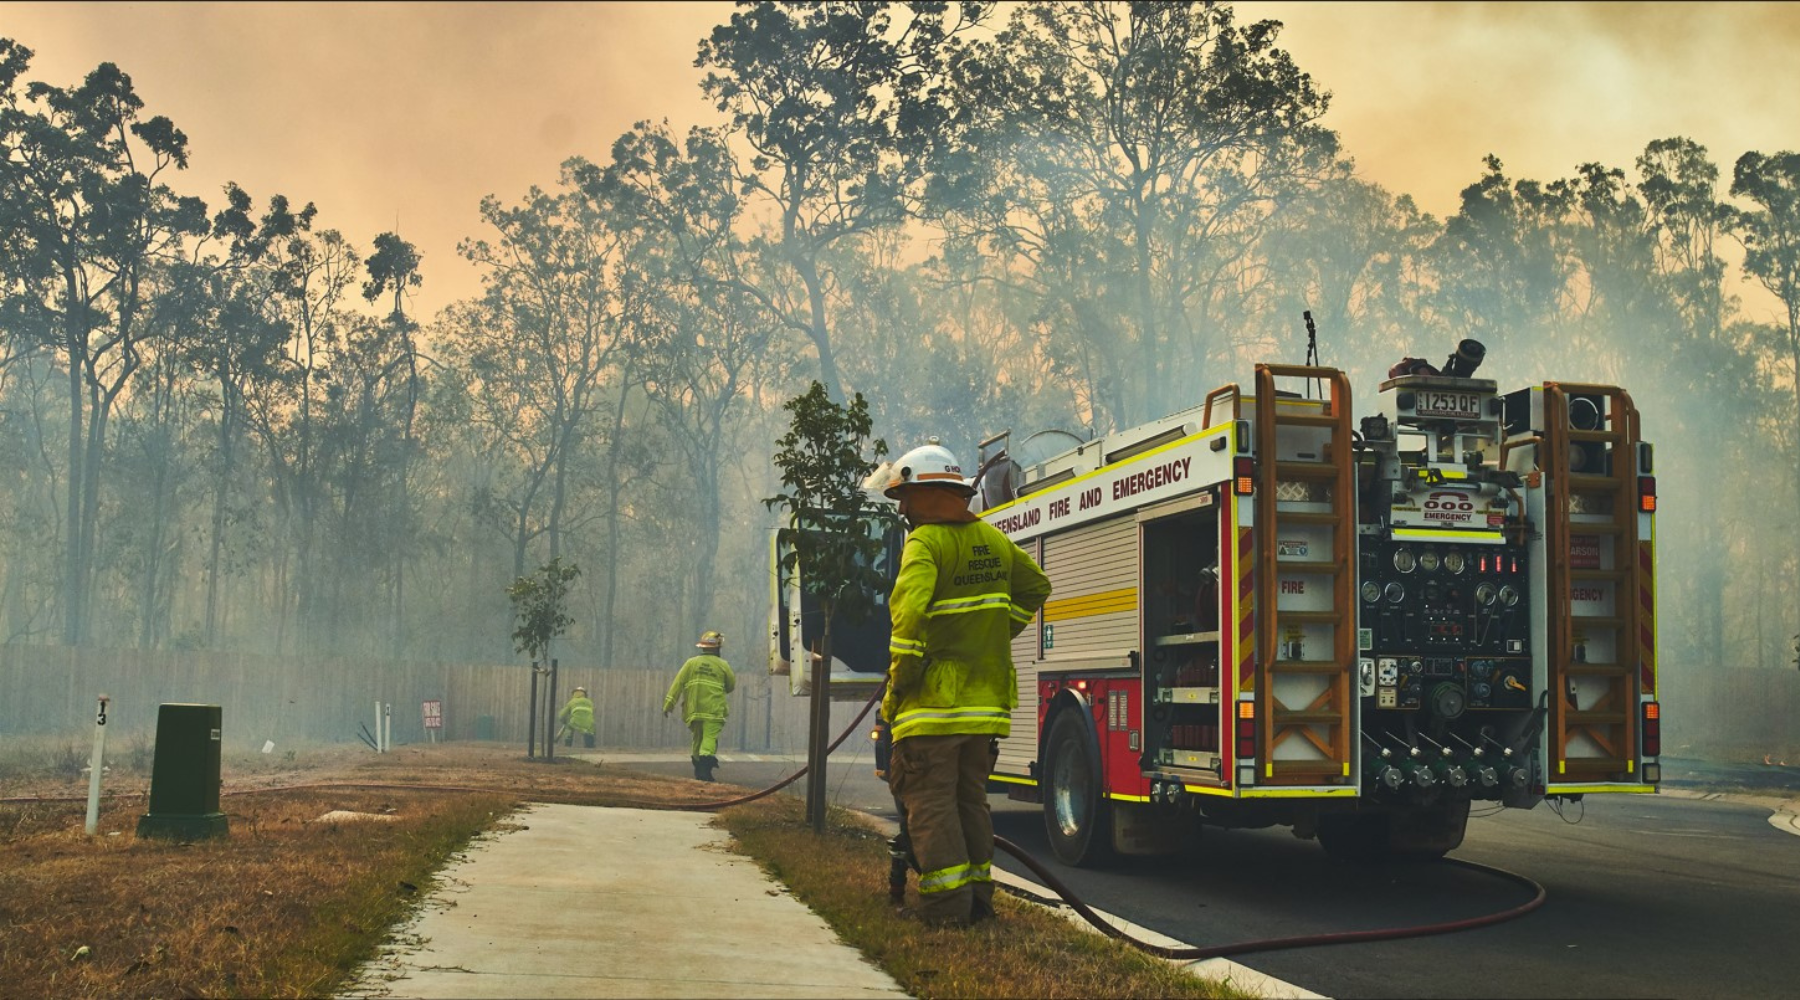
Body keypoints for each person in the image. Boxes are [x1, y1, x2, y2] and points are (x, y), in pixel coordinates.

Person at [876, 440, 1051, 928]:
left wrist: (894, 697)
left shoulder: (925, 544)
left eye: (904, 498)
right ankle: (978, 904)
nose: (903, 509)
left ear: (925, 495)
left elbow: (907, 626)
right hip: (985, 705)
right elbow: (1037, 586)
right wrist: (992, 632)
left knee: (930, 805)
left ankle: (945, 912)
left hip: (933, 706)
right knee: (969, 802)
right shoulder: (994, 542)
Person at [663, 630, 736, 781]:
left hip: (694, 710)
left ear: (702, 647)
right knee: (709, 738)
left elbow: (677, 684)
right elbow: (730, 686)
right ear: (717, 648)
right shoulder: (723, 665)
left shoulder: (691, 663)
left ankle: (698, 769)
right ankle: (704, 770)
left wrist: (669, 705)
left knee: (697, 738)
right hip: (714, 710)